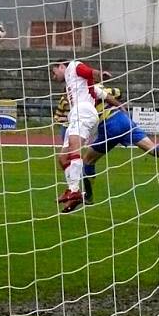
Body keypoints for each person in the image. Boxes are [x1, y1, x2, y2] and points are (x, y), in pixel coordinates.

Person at [73, 84, 159, 212]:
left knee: (87, 160)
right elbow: (118, 92)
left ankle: (88, 196)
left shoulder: (85, 92)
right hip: (123, 119)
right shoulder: (101, 87)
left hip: (109, 124)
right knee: (150, 147)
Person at [49, 59, 120, 213]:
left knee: (75, 148)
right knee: (62, 159)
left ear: (61, 66)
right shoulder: (80, 86)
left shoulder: (73, 66)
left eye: (54, 73)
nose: (54, 77)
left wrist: (100, 74)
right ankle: (74, 194)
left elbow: (87, 71)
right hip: (77, 115)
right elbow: (105, 95)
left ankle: (74, 191)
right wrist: (121, 106)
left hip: (84, 112)